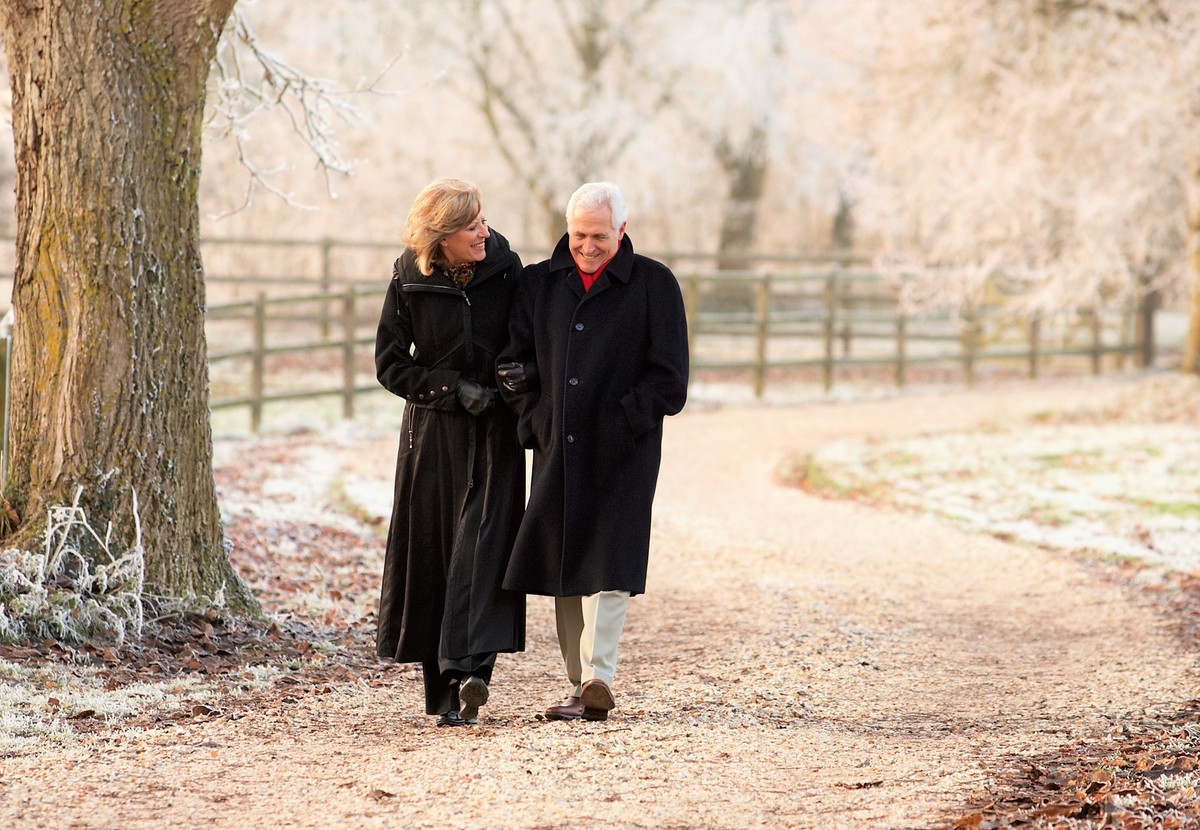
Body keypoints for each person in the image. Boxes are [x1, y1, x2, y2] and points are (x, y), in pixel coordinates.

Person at [496, 181, 689, 722]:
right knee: (564, 561)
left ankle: (598, 675)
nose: (587, 245)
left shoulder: (655, 284)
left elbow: (670, 379)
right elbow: (515, 365)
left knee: (609, 561)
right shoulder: (537, 284)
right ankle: (580, 683)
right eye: (579, 234)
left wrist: (624, 420)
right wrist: (537, 421)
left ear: (621, 230)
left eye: (599, 235)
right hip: (558, 445)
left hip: (625, 450)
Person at [375, 178, 526, 727]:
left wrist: (514, 378)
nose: (483, 231)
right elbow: (390, 365)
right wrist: (447, 388)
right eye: (471, 226)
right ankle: (445, 693)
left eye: (483, 219)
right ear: (441, 236)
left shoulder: (510, 271)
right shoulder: (407, 277)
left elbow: (528, 343)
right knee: (438, 552)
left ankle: (473, 671)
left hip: (496, 432)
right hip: (433, 437)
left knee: (484, 548)